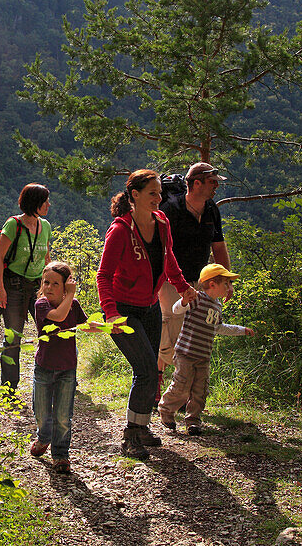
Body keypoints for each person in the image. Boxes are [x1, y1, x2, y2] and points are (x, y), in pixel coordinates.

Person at [97, 169, 196, 460]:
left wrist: (183, 287)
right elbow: (103, 275)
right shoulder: (120, 230)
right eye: (153, 193)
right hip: (124, 311)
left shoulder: (162, 222)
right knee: (146, 370)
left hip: (151, 306)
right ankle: (130, 435)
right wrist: (111, 314)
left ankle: (141, 428)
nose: (159, 198)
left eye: (160, 193)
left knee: (149, 370)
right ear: (135, 196)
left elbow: (168, 259)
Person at [157, 162, 231, 402]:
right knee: (173, 326)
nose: (217, 186)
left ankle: (171, 384)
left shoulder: (211, 209)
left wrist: (225, 280)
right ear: (196, 183)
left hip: (200, 280)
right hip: (170, 280)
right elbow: (160, 249)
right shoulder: (171, 209)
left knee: (195, 330)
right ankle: (167, 385)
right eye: (212, 182)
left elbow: (218, 246)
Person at [159, 263, 255, 435]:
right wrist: (183, 301)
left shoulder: (217, 306)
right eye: (226, 283)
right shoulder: (196, 298)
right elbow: (176, 310)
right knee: (181, 387)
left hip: (203, 356)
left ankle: (193, 420)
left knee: (200, 390)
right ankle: (166, 410)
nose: (229, 288)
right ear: (212, 284)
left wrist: (242, 330)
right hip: (185, 353)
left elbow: (219, 327)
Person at [29, 261, 96, 474]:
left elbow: (84, 325)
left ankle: (60, 455)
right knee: (41, 410)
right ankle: (43, 437)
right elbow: (58, 317)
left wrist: (108, 327)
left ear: (65, 285)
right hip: (44, 367)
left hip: (67, 368)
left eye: (55, 284)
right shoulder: (41, 304)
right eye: (46, 282)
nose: (48, 287)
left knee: (62, 415)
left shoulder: (73, 304)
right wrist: (70, 295)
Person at [0, 183, 52, 394]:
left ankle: (55, 378)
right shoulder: (13, 225)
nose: (48, 205)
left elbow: (46, 257)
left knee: (51, 329)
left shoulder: (45, 226)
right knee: (13, 337)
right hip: (15, 286)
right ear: (33, 203)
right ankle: (9, 388)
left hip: (38, 286)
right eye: (44, 201)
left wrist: (54, 283)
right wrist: (0, 289)